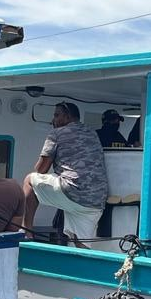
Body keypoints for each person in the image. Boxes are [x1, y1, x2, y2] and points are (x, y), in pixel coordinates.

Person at [22, 102, 107, 247]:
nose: (53, 120)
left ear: (67, 117)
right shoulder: (92, 133)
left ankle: (26, 232)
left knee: (29, 180)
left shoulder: (56, 133)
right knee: (82, 245)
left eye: (56, 115)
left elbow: (41, 169)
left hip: (73, 191)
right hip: (96, 199)